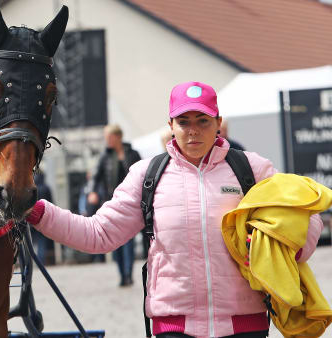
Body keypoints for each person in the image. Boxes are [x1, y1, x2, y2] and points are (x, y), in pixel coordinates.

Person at [25, 81, 324, 337]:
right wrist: (35, 210)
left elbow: (305, 218)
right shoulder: (147, 175)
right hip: (174, 328)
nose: (193, 131)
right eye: (184, 122)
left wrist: (283, 248)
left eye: (202, 121)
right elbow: (98, 234)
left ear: (218, 122)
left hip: (245, 325)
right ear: (170, 126)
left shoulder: (251, 169)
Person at [87, 124, 141, 287]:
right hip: (112, 202)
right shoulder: (104, 156)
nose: (107, 140)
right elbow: (96, 176)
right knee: (115, 241)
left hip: (131, 203)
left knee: (128, 241)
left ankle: (128, 274)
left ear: (118, 137)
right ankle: (121, 274)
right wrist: (93, 192)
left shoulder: (133, 154)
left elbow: (143, 174)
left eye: (109, 137)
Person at [30, 171, 53, 264]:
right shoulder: (46, 188)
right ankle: (40, 261)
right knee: (41, 241)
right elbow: (51, 203)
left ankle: (29, 261)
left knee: (29, 241)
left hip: (30, 218)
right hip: (42, 218)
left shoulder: (30, 188)